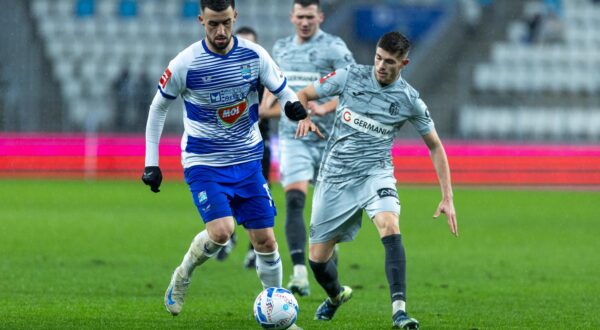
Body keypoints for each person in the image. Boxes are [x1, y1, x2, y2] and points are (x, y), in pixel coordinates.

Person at [140, 0, 315, 321]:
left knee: (265, 240)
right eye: (212, 25)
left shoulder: (254, 55)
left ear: (235, 17)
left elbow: (284, 88)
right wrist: (152, 162)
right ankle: (183, 274)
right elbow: (157, 108)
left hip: (248, 160)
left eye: (226, 23)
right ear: (200, 21)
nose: (220, 31)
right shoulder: (185, 63)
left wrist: (293, 105)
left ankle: (277, 316)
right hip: (204, 162)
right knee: (221, 232)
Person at [294, 31, 458, 329]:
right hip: (335, 177)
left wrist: (447, 197)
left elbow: (435, 145)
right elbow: (303, 95)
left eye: (390, 62)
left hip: (375, 174)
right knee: (317, 261)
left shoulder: (409, 100)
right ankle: (335, 296)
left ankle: (399, 311)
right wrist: (303, 116)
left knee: (390, 225)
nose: (381, 66)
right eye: (378, 58)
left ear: (404, 63)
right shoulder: (348, 76)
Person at [261, 0, 355, 297]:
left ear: (320, 17)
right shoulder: (281, 49)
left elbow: (356, 88)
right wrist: (267, 108)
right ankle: (300, 272)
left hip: (330, 140)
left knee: (327, 211)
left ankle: (326, 251)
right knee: (295, 202)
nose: (304, 22)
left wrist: (326, 107)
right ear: (292, 17)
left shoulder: (335, 48)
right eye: (300, 16)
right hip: (293, 138)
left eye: (310, 17)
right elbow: (272, 94)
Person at [213, 26, 272, 269]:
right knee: (226, 192)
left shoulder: (264, 70)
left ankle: (253, 250)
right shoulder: (224, 71)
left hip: (259, 144)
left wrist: (263, 111)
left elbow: (272, 104)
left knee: (256, 198)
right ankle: (231, 236)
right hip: (229, 145)